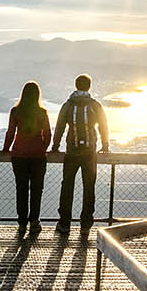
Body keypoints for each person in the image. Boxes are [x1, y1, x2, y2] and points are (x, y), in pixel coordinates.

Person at [50, 73, 110, 234]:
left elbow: (60, 126)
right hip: (90, 153)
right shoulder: (95, 105)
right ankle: (85, 225)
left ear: (76, 86)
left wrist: (55, 146)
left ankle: (64, 224)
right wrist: (105, 144)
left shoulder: (68, 105)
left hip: (72, 151)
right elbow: (103, 125)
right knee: (89, 187)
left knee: (67, 186)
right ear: (89, 87)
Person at [2, 80, 52, 235]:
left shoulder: (15, 111)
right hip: (38, 157)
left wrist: (5, 149)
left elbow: (10, 132)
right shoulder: (42, 112)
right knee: (37, 190)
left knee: (21, 189)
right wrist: (42, 148)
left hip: (19, 156)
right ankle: (34, 222)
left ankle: (22, 223)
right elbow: (48, 134)